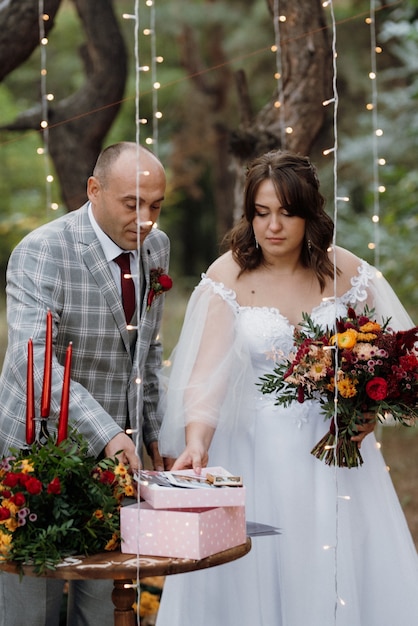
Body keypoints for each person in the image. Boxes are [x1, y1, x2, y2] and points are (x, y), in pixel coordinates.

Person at [156, 150, 418, 626]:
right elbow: (204, 378)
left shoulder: (348, 273)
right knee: (257, 571)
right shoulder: (227, 276)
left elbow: (397, 361)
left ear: (309, 215)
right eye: (261, 213)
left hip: (338, 458)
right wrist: (196, 443)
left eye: (286, 213)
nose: (272, 226)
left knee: (338, 566)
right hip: (255, 456)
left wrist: (368, 413)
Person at [0, 142, 170, 626]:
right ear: (94, 190)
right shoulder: (40, 251)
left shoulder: (157, 247)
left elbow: (147, 349)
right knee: (31, 610)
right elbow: (36, 362)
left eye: (155, 205)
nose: (146, 219)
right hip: (36, 453)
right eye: (132, 203)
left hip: (117, 462)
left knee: (104, 607)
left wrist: (150, 429)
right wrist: (107, 431)